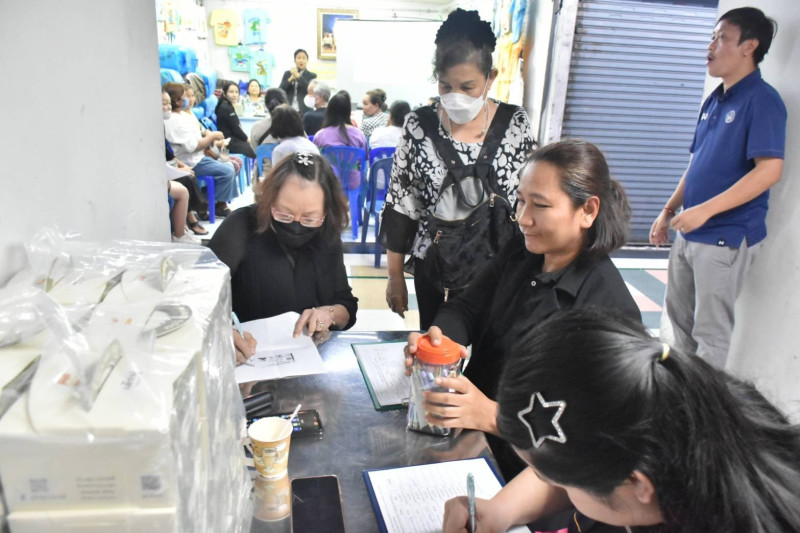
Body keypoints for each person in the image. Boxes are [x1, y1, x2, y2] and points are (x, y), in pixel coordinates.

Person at [442, 307, 800, 533]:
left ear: (636, 485)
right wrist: (499, 511)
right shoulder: (685, 413)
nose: (545, 480)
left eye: (548, 475)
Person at [405, 139, 640, 480]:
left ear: (588, 211)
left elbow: (588, 432)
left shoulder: (609, 309)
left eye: (540, 205)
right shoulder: (522, 251)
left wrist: (492, 416)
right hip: (468, 439)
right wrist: (441, 343)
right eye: (520, 200)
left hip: (532, 473)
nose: (523, 218)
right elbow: (467, 308)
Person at [380, 8, 536, 329]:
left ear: (491, 78)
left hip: (500, 271)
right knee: (437, 349)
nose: (455, 97)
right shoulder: (419, 125)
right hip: (436, 272)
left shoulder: (515, 123)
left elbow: (527, 201)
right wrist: (395, 277)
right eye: (445, 86)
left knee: (492, 354)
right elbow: (401, 204)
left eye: (467, 87)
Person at [650, 7, 786, 368]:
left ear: (749, 46)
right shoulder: (715, 99)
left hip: (725, 236)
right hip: (690, 232)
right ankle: (680, 391)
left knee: (710, 335)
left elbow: (769, 170)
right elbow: (698, 164)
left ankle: (705, 402)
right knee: (678, 325)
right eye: (713, 37)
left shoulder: (762, 100)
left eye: (722, 38)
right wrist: (668, 210)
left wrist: (705, 211)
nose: (710, 46)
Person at [208, 152, 358, 364]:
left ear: (326, 210)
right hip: (247, 361)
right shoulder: (241, 226)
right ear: (270, 198)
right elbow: (197, 299)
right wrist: (222, 333)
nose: (296, 224)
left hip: (308, 362)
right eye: (284, 214)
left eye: (310, 218)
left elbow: (346, 305)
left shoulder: (327, 235)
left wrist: (329, 314)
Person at [163, 83, 237, 219]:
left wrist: (208, 136)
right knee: (227, 171)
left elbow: (199, 133)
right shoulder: (174, 120)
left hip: (199, 157)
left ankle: (214, 202)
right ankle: (204, 202)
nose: (189, 99)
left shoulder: (184, 115)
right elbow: (192, 146)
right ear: (177, 100)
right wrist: (212, 137)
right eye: (185, 96)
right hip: (191, 161)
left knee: (231, 165)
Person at [312, 91, 367, 190]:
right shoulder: (359, 135)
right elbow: (364, 160)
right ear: (348, 111)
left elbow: (315, 161)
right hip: (353, 184)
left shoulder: (320, 135)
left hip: (328, 183)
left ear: (329, 111)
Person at [215, 81, 257, 159]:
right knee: (257, 151)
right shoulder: (226, 108)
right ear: (224, 93)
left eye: (237, 92)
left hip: (233, 140)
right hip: (229, 143)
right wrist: (248, 139)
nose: (234, 95)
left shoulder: (227, 105)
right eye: (231, 92)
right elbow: (236, 130)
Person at [249, 87, 289, 152]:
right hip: (289, 159)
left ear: (266, 105)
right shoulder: (295, 126)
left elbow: (256, 151)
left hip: (264, 158)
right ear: (286, 104)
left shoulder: (256, 127)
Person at [279, 49, 317, 115]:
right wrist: (290, 79)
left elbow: (310, 90)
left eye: (304, 58)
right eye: (299, 58)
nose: (301, 60)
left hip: (305, 111)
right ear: (294, 60)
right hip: (288, 110)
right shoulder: (287, 74)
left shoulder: (312, 76)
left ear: (307, 61)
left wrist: (298, 77)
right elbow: (280, 90)